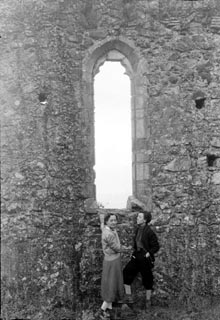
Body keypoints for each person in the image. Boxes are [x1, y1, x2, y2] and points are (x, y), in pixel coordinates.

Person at [123, 210, 160, 309]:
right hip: (137, 255)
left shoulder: (149, 232)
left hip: (145, 257)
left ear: (145, 220)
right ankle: (129, 297)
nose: (137, 218)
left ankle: (148, 301)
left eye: (139, 217)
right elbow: (137, 243)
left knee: (147, 278)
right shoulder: (138, 229)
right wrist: (134, 253)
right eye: (138, 217)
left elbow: (156, 246)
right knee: (126, 272)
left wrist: (149, 253)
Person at [98, 212, 126, 319]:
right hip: (112, 262)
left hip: (110, 261)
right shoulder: (109, 234)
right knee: (112, 285)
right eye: (111, 220)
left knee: (111, 284)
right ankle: (102, 310)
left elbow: (102, 227)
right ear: (107, 222)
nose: (114, 222)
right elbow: (118, 248)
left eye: (115, 220)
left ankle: (108, 312)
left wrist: (101, 221)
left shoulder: (105, 229)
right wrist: (128, 249)